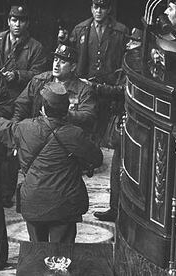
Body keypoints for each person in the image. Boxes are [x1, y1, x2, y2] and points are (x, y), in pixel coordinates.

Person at [0, 82, 103, 243]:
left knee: (36, 252)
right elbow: (97, 159)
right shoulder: (75, 134)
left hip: (33, 201)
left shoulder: (25, 128)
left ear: (42, 109)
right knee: (62, 256)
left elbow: (0, 126)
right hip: (65, 204)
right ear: (67, 110)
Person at [59, 0, 128, 222]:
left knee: (108, 138)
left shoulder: (120, 31)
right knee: (80, 132)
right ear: (91, 8)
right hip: (84, 89)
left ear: (109, 9)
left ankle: (110, 199)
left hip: (109, 92)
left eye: (103, 7)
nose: (99, 11)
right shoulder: (81, 29)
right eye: (95, 6)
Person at [0, 3, 46, 216]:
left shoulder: (35, 47)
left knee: (11, 150)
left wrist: (17, 75)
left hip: (19, 103)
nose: (17, 24)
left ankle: (7, 193)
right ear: (8, 21)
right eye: (14, 20)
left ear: (28, 23)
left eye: (22, 21)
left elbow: (39, 74)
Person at [13, 43, 97, 133]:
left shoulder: (83, 90)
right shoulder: (39, 81)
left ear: (73, 67)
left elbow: (88, 116)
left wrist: (64, 114)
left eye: (63, 62)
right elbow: (21, 106)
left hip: (65, 136)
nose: (57, 65)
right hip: (38, 132)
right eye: (55, 60)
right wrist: (16, 129)